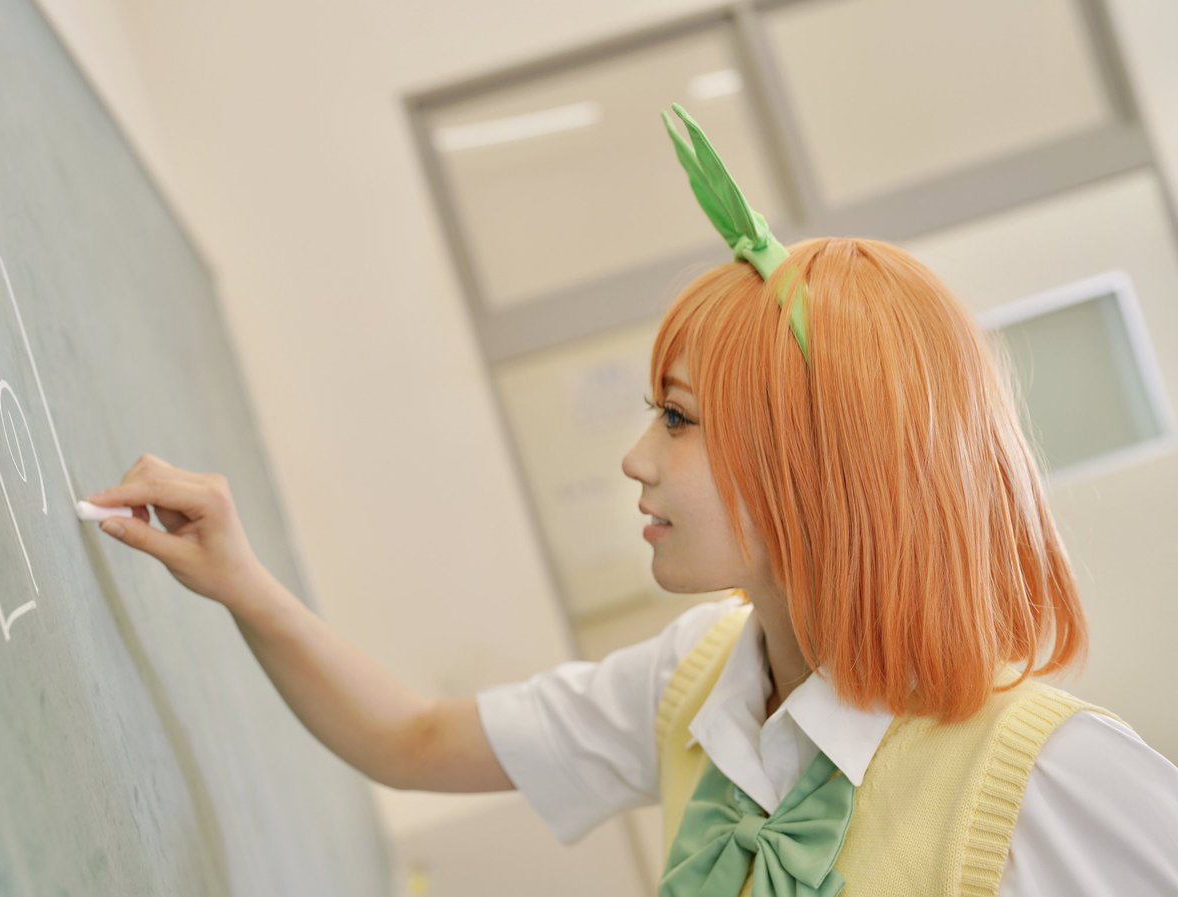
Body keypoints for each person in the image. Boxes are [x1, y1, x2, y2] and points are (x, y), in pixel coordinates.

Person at [87, 106, 1178, 895]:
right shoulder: (698, 677)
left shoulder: (1052, 776)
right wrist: (242, 582)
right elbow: (410, 741)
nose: (636, 460)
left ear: (815, 465)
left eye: (679, 419)